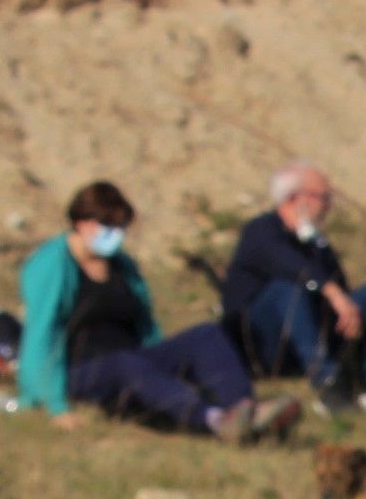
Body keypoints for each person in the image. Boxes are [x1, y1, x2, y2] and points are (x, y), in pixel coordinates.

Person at [16, 180, 296, 441]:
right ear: (83, 223)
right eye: (109, 227)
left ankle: (247, 410)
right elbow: (41, 336)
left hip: (132, 360)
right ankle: (214, 420)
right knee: (124, 362)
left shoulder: (122, 266)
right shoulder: (51, 265)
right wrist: (55, 405)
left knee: (207, 335)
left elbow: (145, 325)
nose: (117, 235)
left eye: (121, 228)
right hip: (79, 372)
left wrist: (163, 371)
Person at [221, 163, 366, 411]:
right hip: (263, 340)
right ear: (297, 198)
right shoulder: (260, 231)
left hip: (313, 332)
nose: (329, 206)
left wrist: (344, 301)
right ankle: (328, 383)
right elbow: (293, 268)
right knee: (287, 291)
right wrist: (330, 291)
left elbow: (339, 284)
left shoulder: (314, 240)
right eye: (324, 198)